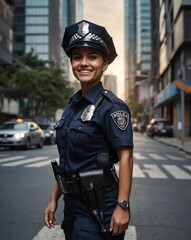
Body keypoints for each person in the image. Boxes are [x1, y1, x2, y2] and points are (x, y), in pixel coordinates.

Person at [44, 20, 134, 240]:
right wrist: (54, 198)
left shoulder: (112, 107)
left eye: (92, 56)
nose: (84, 63)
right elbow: (68, 160)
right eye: (77, 57)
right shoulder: (72, 107)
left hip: (100, 204)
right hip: (72, 204)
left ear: (104, 64)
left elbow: (126, 156)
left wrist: (123, 205)